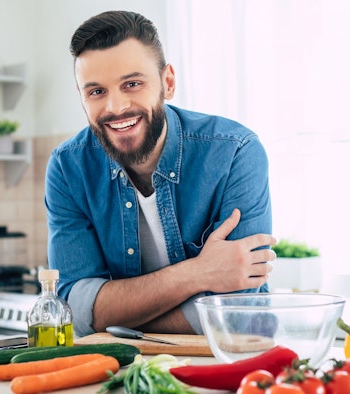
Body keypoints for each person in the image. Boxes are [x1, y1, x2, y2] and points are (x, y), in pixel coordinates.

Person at [45, 10, 275, 338]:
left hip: (226, 365)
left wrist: (113, 319)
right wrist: (199, 273)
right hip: (117, 369)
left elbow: (237, 311)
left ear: (167, 82)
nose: (116, 107)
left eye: (132, 84)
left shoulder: (235, 152)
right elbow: (75, 307)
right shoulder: (68, 168)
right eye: (96, 92)